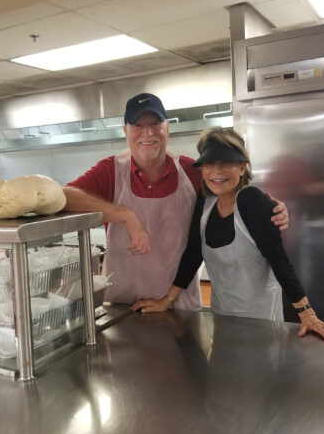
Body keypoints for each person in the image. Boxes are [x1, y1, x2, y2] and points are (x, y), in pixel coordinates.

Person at [63, 94, 288, 309]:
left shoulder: (191, 172)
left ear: (167, 128)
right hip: (122, 306)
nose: (147, 133)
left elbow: (232, 198)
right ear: (125, 131)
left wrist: (271, 209)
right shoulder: (110, 170)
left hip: (180, 305)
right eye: (138, 125)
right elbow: (64, 197)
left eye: (155, 124)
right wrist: (125, 215)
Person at [131, 127, 324, 343]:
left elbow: (280, 262)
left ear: (242, 168)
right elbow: (193, 253)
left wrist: (307, 314)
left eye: (226, 163)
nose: (217, 171)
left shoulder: (251, 200)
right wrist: (167, 300)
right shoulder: (205, 203)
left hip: (261, 323)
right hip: (221, 317)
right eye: (210, 164)